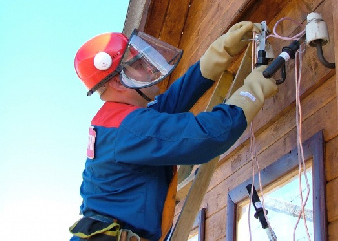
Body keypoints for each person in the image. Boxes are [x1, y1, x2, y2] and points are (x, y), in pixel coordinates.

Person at [69, 21, 277, 241]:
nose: (149, 68)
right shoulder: (128, 127)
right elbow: (207, 136)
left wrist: (221, 51)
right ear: (119, 83)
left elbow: (173, 100)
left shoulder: (117, 119)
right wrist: (253, 90)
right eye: (138, 64)